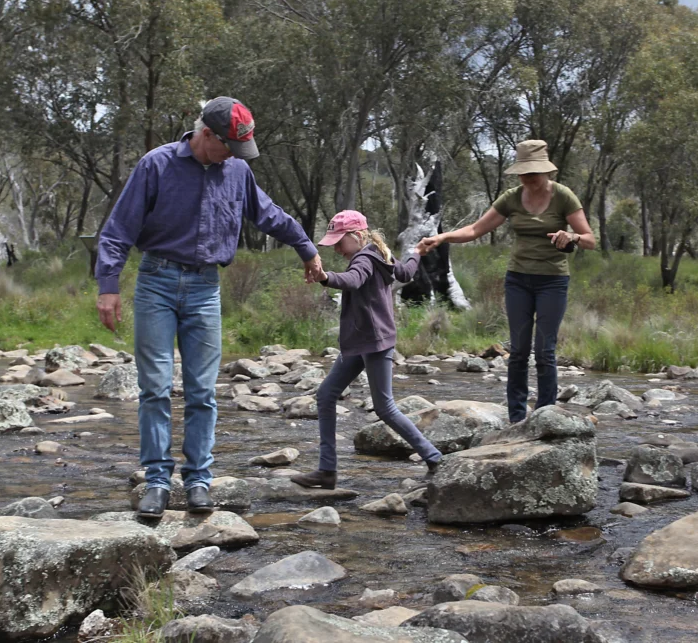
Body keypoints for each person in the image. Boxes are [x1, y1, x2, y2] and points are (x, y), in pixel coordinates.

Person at [95, 96, 323, 518]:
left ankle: (198, 479)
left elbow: (268, 214)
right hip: (156, 283)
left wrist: (306, 249)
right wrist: (108, 285)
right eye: (228, 147)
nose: (233, 156)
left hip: (205, 287)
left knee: (202, 391)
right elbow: (118, 229)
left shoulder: (236, 170)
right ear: (206, 135)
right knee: (156, 388)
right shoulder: (156, 165)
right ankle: (158, 481)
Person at [418, 139, 595, 423]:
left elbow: (590, 240)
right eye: (523, 173)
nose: (527, 178)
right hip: (518, 280)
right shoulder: (511, 197)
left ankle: (546, 415)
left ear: (545, 171)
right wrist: (442, 237)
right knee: (519, 350)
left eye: (532, 172)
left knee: (545, 350)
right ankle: (516, 418)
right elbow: (476, 229)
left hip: (553, 280)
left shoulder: (564, 197)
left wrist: (572, 236)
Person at [291, 210, 444, 489]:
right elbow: (407, 272)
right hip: (360, 342)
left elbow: (352, 280)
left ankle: (434, 457)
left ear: (358, 235)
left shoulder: (364, 258)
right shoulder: (380, 254)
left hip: (374, 343)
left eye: (339, 241)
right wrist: (417, 251)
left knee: (385, 407)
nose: (336, 247)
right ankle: (327, 471)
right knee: (326, 394)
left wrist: (325, 277)